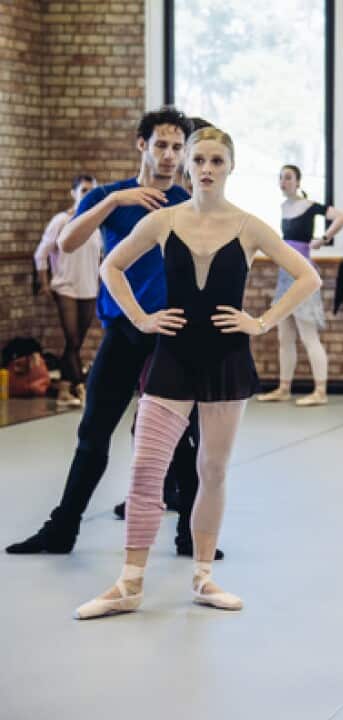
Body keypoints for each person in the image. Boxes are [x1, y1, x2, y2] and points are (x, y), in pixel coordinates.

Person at [74, 126, 321, 620]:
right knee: (147, 469)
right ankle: (129, 583)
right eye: (200, 160)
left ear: (230, 167)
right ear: (187, 165)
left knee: (212, 468)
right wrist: (142, 318)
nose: (207, 169)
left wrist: (262, 322)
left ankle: (203, 577)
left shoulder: (249, 225)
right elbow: (111, 268)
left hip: (227, 361)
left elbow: (308, 275)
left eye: (217, 161)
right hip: (171, 358)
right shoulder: (164, 220)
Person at [6, 107, 208, 558]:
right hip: (124, 330)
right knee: (93, 431)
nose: (170, 155)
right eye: (161, 145)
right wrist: (115, 202)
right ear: (142, 145)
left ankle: (191, 538)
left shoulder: (188, 204)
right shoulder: (110, 197)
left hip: (172, 334)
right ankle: (62, 530)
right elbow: (67, 243)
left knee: (181, 437)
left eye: (178, 147)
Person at [255, 164, 343, 407]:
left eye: (288, 177)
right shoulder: (283, 207)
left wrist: (324, 239)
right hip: (284, 276)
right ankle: (284, 388)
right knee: (284, 336)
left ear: (298, 181)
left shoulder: (310, 206)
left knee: (309, 336)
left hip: (302, 274)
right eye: (280, 177)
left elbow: (342, 216)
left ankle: (320, 390)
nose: (283, 182)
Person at [34, 174, 101, 408]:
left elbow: (103, 256)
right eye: (84, 190)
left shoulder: (98, 223)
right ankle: (80, 385)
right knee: (72, 338)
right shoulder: (61, 221)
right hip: (65, 287)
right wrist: (44, 282)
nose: (88, 195)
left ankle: (64, 387)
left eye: (93, 191)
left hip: (89, 288)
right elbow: (41, 253)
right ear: (73, 193)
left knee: (76, 342)